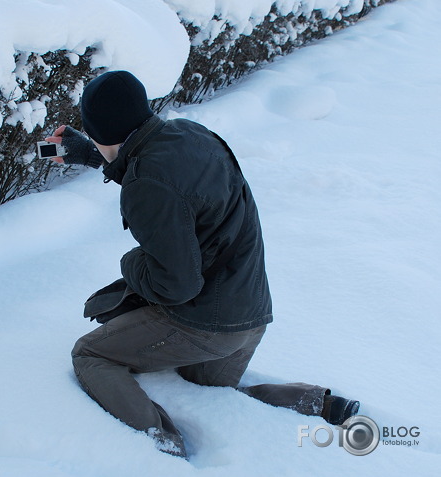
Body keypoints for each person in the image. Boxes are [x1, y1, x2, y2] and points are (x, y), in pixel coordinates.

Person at [43, 70, 359, 458]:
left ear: (99, 131)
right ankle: (317, 404)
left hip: (208, 325)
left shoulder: (147, 183)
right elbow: (161, 180)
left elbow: (175, 283)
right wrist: (94, 155)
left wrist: (131, 264)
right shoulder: (188, 134)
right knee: (205, 389)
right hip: (250, 312)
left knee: (91, 355)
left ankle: (162, 445)